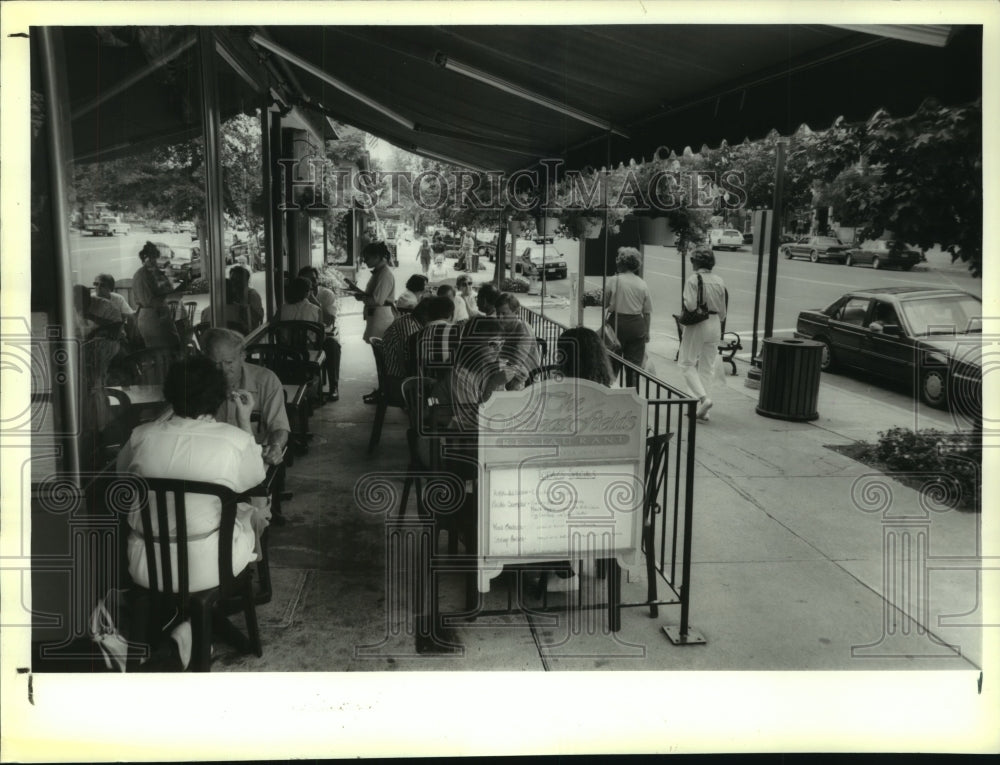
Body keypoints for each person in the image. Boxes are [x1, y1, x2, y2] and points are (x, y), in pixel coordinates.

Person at [117, 355, 267, 596]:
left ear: (169, 395)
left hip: (146, 568)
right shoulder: (233, 440)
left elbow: (122, 480)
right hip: (210, 568)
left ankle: (186, 627)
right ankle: (208, 614)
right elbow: (256, 477)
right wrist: (243, 420)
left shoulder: (140, 436)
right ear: (219, 399)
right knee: (251, 512)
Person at [201, 328, 290, 469]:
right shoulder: (200, 382)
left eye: (229, 362)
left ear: (242, 356)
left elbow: (279, 426)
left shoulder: (266, 380)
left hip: (256, 457)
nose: (223, 370)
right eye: (216, 364)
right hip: (214, 457)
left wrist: (276, 447)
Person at [678, 245, 727, 422]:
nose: (691, 263)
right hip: (715, 324)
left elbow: (691, 306)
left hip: (698, 323)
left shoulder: (693, 279)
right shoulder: (719, 280)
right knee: (707, 366)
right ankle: (703, 410)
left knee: (686, 363)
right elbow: (723, 312)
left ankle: (703, 399)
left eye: (692, 259)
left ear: (697, 261)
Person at [604, 246, 653, 387]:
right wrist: (647, 332)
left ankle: (609, 393)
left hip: (617, 324)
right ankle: (632, 397)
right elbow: (647, 312)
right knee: (634, 367)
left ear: (622, 263)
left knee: (612, 363)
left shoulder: (614, 280)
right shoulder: (642, 283)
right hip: (637, 325)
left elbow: (605, 303)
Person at [299, 265, 342, 402]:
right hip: (300, 339)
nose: (311, 283)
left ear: (317, 280)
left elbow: (330, 321)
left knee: (333, 346)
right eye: (307, 280)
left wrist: (316, 304)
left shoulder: (326, 294)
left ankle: (334, 386)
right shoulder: (296, 296)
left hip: (322, 337)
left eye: (313, 279)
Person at [132, 241, 187, 349]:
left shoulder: (155, 273)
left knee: (174, 345)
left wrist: (167, 274)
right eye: (151, 258)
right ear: (144, 259)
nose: (154, 261)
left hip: (163, 313)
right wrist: (168, 297)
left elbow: (168, 289)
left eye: (155, 258)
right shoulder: (141, 275)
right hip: (150, 316)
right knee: (159, 351)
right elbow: (147, 301)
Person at [493, 292, 540, 389]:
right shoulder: (503, 326)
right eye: (498, 313)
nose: (500, 317)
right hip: (508, 372)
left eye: (504, 313)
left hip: (526, 380)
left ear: (516, 312)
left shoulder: (523, 330)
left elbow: (517, 361)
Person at [408, 295, 459, 382]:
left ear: (429, 314)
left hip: (422, 392)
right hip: (452, 391)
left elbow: (409, 369)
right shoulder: (460, 334)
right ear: (452, 315)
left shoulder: (413, 338)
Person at [381, 297, 429, 381]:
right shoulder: (408, 325)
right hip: (399, 376)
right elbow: (410, 356)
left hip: (404, 371)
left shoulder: (413, 321)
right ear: (425, 315)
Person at [357, 241, 396, 343]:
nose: (365, 261)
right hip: (377, 316)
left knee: (380, 353)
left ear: (377, 257)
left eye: (367, 258)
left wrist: (362, 298)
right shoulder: (379, 272)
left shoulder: (384, 274)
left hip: (381, 318)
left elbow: (377, 300)